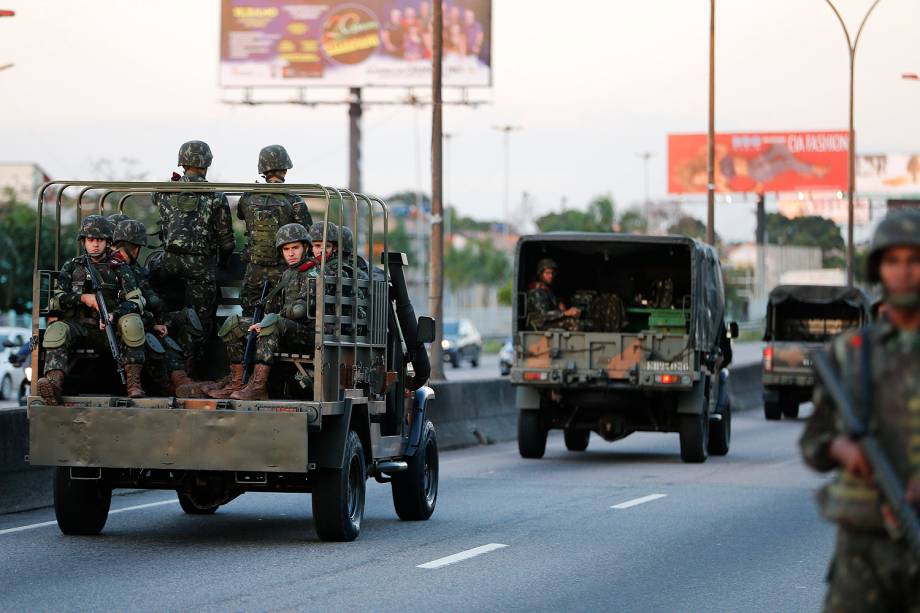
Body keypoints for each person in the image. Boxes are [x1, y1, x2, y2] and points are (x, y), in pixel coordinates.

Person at [800, 208, 920, 612]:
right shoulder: (850, 355)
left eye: (914, 261)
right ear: (879, 270)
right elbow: (813, 442)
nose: (904, 273)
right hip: (862, 548)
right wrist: (842, 450)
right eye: (892, 261)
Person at [36, 215, 147, 403]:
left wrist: (115, 314)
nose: (95, 244)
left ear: (107, 242)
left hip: (112, 329)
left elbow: (136, 300)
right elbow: (56, 300)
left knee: (132, 323)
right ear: (83, 242)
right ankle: (53, 383)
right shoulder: (72, 266)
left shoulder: (119, 267)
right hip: (81, 328)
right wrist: (82, 298)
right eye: (90, 240)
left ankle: (134, 384)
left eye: (100, 240)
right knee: (56, 330)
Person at [209, 223, 319, 400]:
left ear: (305, 247)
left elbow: (299, 310)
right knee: (234, 324)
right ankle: (237, 382)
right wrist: (265, 318)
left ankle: (258, 386)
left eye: (295, 248)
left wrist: (271, 319)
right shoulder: (288, 274)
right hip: (284, 330)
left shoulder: (313, 272)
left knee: (271, 321)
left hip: (308, 334)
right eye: (286, 249)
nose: (290, 253)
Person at [152, 140, 234, 371]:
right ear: (207, 163)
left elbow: (155, 200)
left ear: (182, 163)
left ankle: (164, 367)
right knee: (200, 320)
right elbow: (226, 242)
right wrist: (222, 263)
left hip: (168, 262)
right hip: (200, 265)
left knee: (163, 312)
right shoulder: (215, 197)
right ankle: (189, 371)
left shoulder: (166, 190)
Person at [110, 219, 209, 398]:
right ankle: (168, 383)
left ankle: (184, 377)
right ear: (133, 247)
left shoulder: (134, 269)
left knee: (187, 318)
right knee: (149, 336)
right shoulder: (112, 267)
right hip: (126, 322)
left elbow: (151, 298)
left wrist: (158, 319)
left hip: (146, 317)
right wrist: (153, 321)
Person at [237, 144, 312, 318]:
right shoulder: (293, 199)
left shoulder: (248, 197)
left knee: (249, 316)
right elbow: (306, 232)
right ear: (285, 169)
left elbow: (241, 215)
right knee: (278, 317)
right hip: (283, 269)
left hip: (254, 269)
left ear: (263, 169)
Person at [525, 258, 581, 331]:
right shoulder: (536, 291)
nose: (551, 276)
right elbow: (543, 314)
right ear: (540, 274)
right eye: (547, 273)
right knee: (573, 323)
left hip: (548, 322)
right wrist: (564, 313)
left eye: (552, 273)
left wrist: (559, 305)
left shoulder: (546, 289)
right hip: (540, 324)